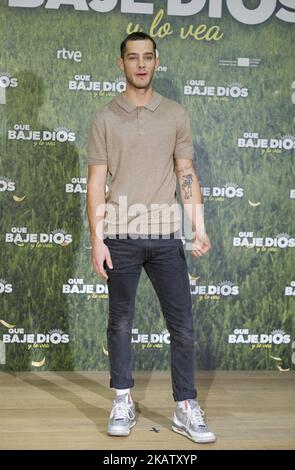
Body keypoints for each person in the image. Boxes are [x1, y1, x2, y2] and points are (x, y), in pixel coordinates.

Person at [86, 32, 216, 444]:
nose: (140, 65)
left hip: (164, 235)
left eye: (147, 57)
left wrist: (198, 225)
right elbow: (95, 183)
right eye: (132, 58)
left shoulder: (175, 114)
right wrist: (97, 239)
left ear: (157, 62)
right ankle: (122, 399)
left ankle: (184, 407)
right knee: (120, 322)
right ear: (120, 64)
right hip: (119, 234)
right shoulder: (104, 118)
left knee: (182, 325)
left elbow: (186, 173)